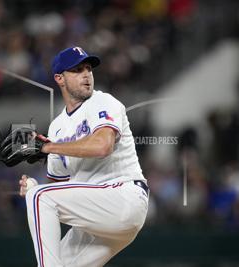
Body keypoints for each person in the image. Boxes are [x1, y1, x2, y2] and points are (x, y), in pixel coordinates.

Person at [19, 46, 149, 267]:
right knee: (40, 197)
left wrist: (48, 149)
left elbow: (102, 146)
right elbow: (61, 187)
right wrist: (32, 187)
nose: (87, 74)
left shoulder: (103, 101)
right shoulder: (57, 127)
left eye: (88, 68)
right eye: (77, 70)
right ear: (60, 78)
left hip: (124, 196)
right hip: (95, 219)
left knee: (41, 198)